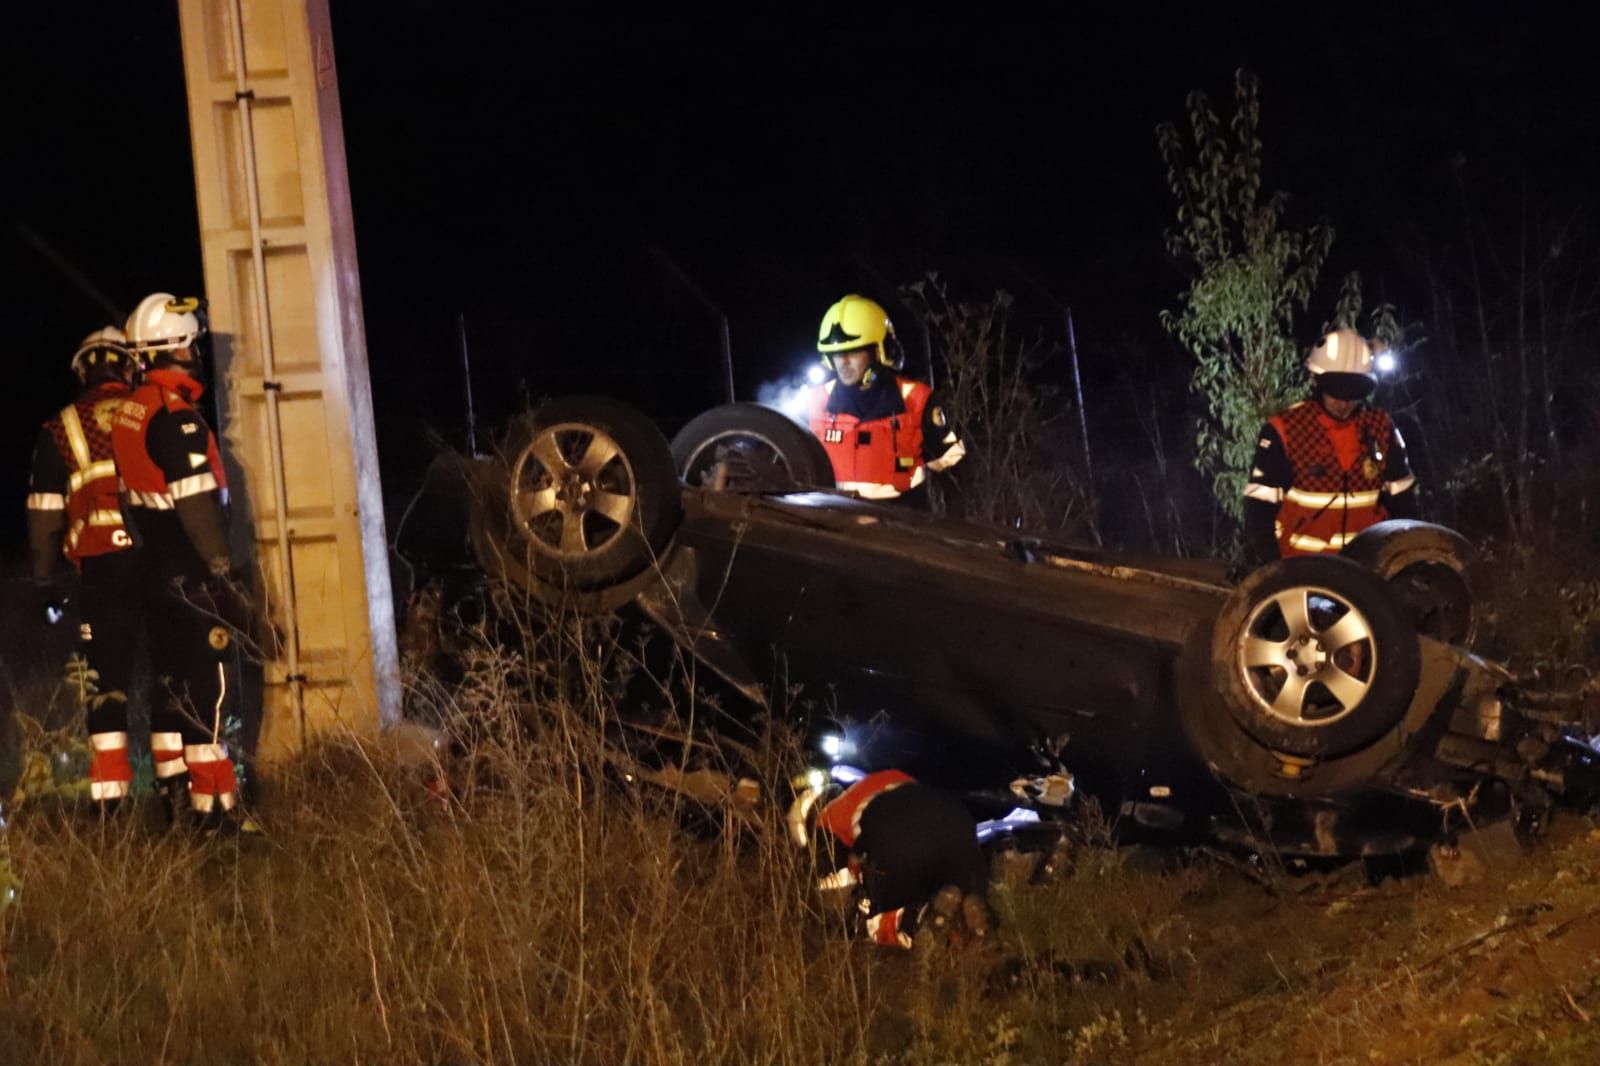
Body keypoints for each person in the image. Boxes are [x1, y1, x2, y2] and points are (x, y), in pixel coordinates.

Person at [111, 292, 251, 828]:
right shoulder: (178, 418)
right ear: (176, 348)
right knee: (209, 689)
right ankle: (216, 810)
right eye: (191, 345)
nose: (196, 355)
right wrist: (224, 573)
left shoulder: (133, 408)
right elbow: (197, 510)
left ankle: (171, 794)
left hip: (155, 570)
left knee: (170, 684)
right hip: (191, 570)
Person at [25, 327, 143, 808]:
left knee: (105, 683)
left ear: (82, 371)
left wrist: (43, 581)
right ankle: (186, 795)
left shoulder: (60, 428)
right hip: (159, 563)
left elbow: (44, 513)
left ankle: (110, 804)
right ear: (128, 366)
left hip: (101, 569)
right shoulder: (149, 414)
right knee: (174, 677)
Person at [1243, 329, 1417, 561]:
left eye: (1354, 392)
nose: (1344, 402)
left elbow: (1404, 502)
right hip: (1301, 568)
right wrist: (1271, 568)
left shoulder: (1381, 427)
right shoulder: (1284, 429)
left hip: (1368, 568)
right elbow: (1259, 509)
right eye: (1336, 391)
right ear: (1315, 380)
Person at [789, 767, 987, 949]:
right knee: (959, 889)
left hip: (895, 831)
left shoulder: (828, 818)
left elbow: (831, 887)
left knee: (870, 917)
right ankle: (971, 926)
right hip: (957, 819)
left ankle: (915, 922)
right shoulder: (875, 782)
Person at [805, 294, 965, 505]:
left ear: (877, 351)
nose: (843, 362)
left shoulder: (917, 400)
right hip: (833, 523)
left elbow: (953, 467)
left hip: (898, 524)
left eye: (853, 352)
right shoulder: (815, 402)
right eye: (837, 354)